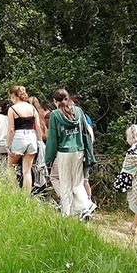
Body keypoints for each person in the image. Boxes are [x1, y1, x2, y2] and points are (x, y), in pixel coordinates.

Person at [44, 88, 95, 220]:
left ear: (55, 101)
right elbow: (85, 132)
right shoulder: (78, 111)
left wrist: (49, 158)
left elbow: (52, 139)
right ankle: (85, 208)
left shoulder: (55, 115)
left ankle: (67, 213)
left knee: (66, 183)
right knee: (78, 183)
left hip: (64, 152)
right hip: (79, 150)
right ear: (68, 98)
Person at [6, 86, 39, 193]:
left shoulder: (12, 109)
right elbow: (38, 126)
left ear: (13, 96)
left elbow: (11, 129)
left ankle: (14, 191)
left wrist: (7, 145)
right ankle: (26, 197)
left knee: (10, 166)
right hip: (32, 136)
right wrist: (39, 141)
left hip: (19, 137)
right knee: (27, 171)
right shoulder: (32, 108)